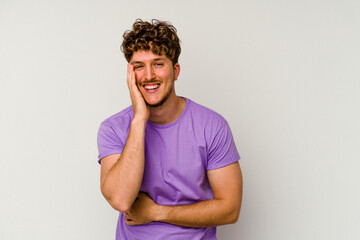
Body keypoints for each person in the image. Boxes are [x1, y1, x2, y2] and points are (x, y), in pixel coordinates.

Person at [97, 19, 243, 240]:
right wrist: (139, 119)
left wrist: (157, 212)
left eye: (158, 64)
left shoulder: (212, 126)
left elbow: (230, 209)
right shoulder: (113, 129)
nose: (148, 76)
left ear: (175, 71)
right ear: (130, 75)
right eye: (138, 66)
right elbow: (120, 199)